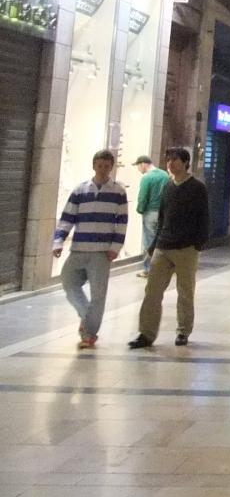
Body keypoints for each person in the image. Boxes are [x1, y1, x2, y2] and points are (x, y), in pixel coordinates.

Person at [129, 147, 209, 348]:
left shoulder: (197, 187)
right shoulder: (167, 186)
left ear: (185, 163)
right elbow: (162, 217)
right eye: (168, 160)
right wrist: (154, 244)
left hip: (186, 247)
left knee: (185, 292)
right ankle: (146, 333)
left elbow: (204, 218)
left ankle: (183, 331)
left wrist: (197, 244)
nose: (170, 163)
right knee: (152, 291)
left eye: (175, 160)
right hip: (163, 245)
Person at [54, 149, 128, 349]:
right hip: (79, 248)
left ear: (111, 167)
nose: (103, 169)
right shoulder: (80, 190)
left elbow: (122, 222)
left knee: (98, 295)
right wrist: (58, 241)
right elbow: (67, 218)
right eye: (99, 165)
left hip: (101, 252)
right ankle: (87, 317)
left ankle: (88, 334)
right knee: (68, 282)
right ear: (94, 166)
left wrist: (115, 247)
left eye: (107, 166)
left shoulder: (118, 192)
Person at [134, 155, 169, 278]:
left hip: (150, 212)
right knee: (161, 241)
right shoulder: (165, 175)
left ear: (143, 164)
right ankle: (163, 267)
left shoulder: (147, 178)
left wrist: (140, 210)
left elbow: (143, 197)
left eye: (138, 166)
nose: (138, 169)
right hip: (163, 213)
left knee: (149, 242)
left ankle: (149, 269)